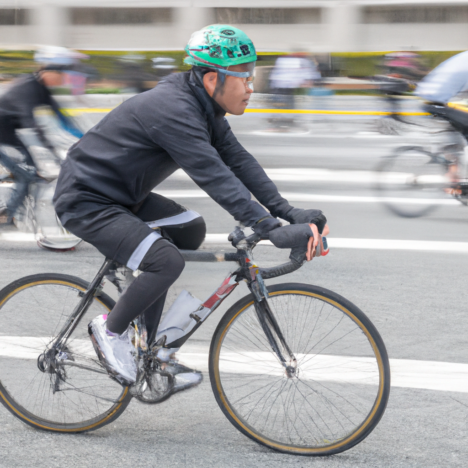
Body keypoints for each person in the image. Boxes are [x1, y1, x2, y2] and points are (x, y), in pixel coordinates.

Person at [53, 25, 327, 391]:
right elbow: (211, 173)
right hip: (86, 199)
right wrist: (267, 226)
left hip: (125, 197)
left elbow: (238, 162)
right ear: (213, 77)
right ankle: (110, 329)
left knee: (190, 229)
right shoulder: (173, 109)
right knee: (166, 261)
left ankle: (150, 350)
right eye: (244, 78)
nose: (251, 87)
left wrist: (288, 212)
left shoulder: (205, 106)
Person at [0, 46, 85, 224]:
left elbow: (63, 118)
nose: (64, 80)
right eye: (62, 76)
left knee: (33, 173)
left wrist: (87, 139)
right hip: (3, 137)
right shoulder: (28, 87)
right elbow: (34, 125)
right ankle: (7, 217)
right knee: (25, 174)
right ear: (49, 72)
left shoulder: (42, 89)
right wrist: (53, 153)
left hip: (9, 136)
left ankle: (11, 211)